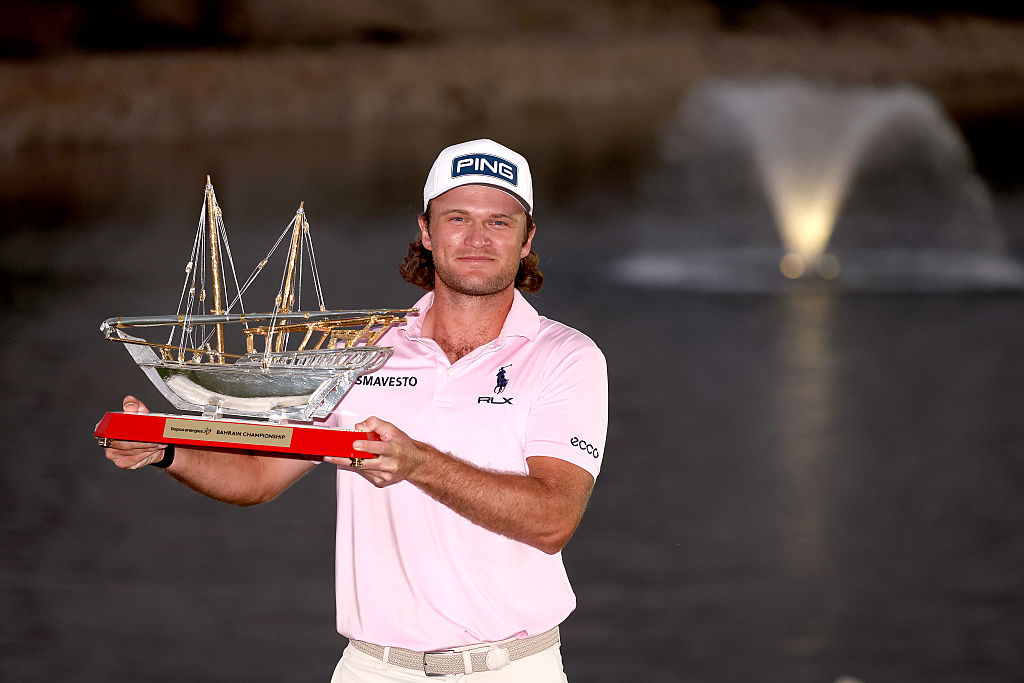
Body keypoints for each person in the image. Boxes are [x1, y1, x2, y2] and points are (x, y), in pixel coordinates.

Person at [103, 139, 608, 681]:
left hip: (512, 668)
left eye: (500, 222)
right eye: (457, 217)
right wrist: (168, 450)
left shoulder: (567, 356)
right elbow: (258, 472)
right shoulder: (359, 348)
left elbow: (553, 520)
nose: (477, 239)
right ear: (426, 230)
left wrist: (416, 463)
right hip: (373, 668)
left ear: (527, 238)